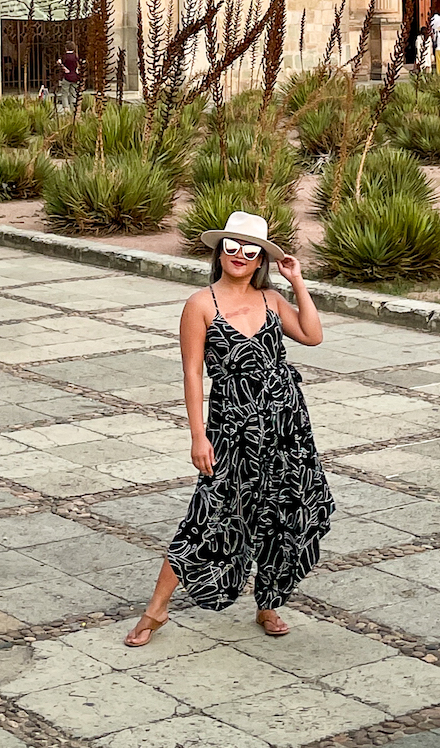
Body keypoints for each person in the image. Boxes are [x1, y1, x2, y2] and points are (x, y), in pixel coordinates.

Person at [124, 212, 331, 648]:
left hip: (286, 424)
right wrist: (198, 436)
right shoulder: (200, 304)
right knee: (210, 512)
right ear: (220, 253)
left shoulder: (272, 299)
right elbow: (193, 376)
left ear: (261, 259)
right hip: (231, 425)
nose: (240, 255)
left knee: (285, 511)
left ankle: (268, 602)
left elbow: (312, 336)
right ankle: (155, 610)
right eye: (232, 247)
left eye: (250, 249)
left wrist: (297, 282)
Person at [58, 44, 81, 111]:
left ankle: (66, 108)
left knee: (64, 93)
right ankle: (73, 108)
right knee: (73, 93)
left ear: (66, 48)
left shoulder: (64, 57)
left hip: (66, 77)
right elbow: (79, 65)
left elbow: (60, 64)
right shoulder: (75, 57)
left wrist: (63, 67)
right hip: (75, 77)